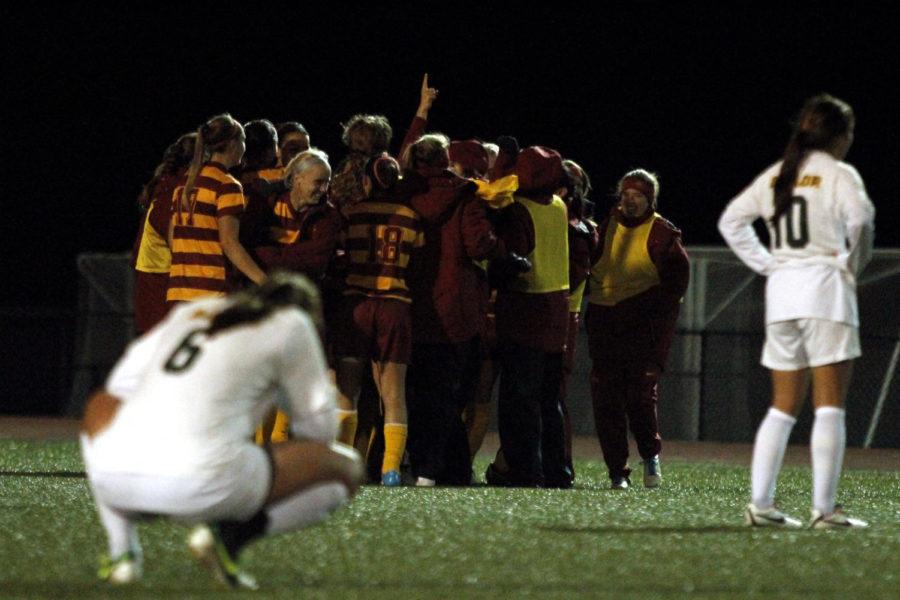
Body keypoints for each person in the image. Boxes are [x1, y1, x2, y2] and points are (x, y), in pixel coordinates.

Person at [80, 272, 364, 588]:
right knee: (346, 468)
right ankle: (229, 537)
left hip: (117, 481)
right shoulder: (292, 323)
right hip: (204, 484)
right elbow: (318, 431)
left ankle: (123, 554)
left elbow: (120, 387)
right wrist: (280, 391)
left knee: (100, 404)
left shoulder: (194, 311)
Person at [718, 93, 875, 529]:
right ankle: (824, 511)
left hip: (782, 296)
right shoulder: (839, 174)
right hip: (826, 293)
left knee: (782, 407)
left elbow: (731, 221)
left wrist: (771, 264)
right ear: (840, 135)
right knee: (829, 408)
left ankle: (760, 505)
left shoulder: (776, 175)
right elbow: (862, 220)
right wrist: (850, 265)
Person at [403, 133, 503, 486]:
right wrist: (498, 242)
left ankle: (433, 467)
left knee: (417, 392)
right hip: (456, 308)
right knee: (450, 395)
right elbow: (477, 245)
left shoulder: (406, 191)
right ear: (446, 159)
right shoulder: (465, 196)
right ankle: (435, 469)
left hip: (413, 303)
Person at [586, 169, 689, 489]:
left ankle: (650, 455)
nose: (630, 201)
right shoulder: (604, 228)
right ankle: (617, 470)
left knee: (640, 399)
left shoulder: (662, 234)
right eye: (626, 194)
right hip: (605, 326)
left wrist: (648, 322)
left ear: (650, 199)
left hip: (641, 331)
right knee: (606, 400)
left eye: (638, 196)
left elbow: (674, 291)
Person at [333, 154, 425, 486]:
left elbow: (339, 254)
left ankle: (341, 467)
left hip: (356, 303)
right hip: (395, 305)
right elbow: (417, 261)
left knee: (348, 389)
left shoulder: (351, 214)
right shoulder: (410, 217)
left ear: (368, 182)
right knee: (393, 393)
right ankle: (390, 469)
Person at [486, 146, 571, 488]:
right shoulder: (560, 206)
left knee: (519, 402)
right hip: (558, 311)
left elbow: (509, 254)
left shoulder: (520, 210)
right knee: (549, 402)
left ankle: (524, 471)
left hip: (526, 309)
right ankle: (557, 471)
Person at [167, 113, 266, 303]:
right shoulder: (227, 185)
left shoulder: (183, 185)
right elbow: (230, 244)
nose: (245, 147)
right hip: (212, 291)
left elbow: (173, 239)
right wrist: (265, 282)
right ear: (231, 144)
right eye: (243, 141)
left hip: (180, 290)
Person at [131, 132, 196, 333]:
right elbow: (178, 248)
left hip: (155, 290)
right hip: (160, 292)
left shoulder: (166, 185)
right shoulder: (172, 193)